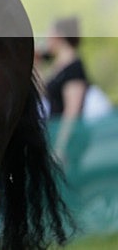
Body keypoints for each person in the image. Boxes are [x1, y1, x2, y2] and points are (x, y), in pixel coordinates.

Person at [39, 16, 91, 172]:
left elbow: (72, 111)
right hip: (53, 133)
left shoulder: (74, 69)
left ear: (60, 35)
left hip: (68, 141)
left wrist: (60, 147)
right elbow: (44, 91)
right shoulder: (58, 67)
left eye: (50, 33)